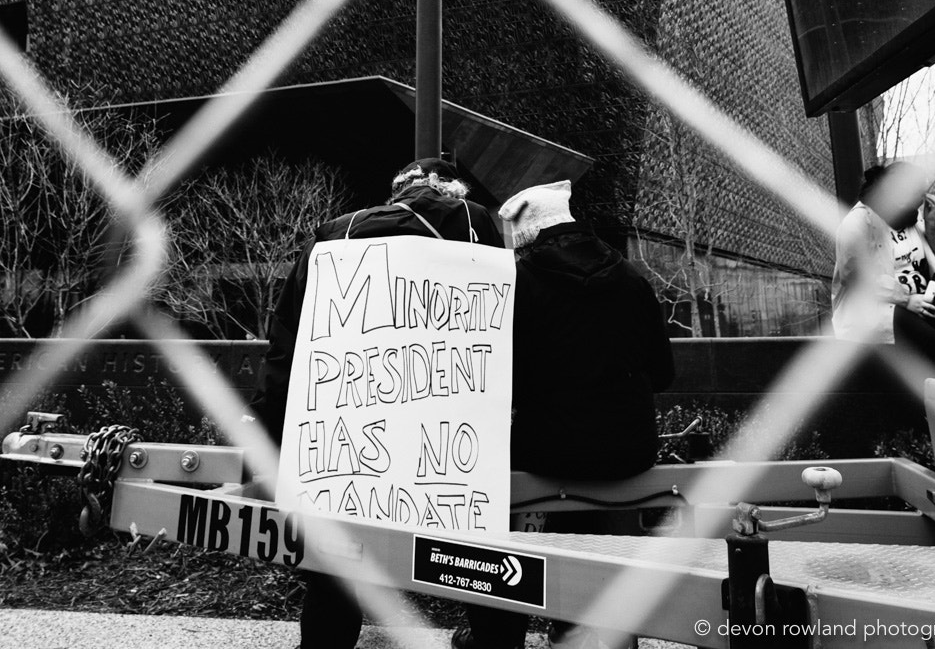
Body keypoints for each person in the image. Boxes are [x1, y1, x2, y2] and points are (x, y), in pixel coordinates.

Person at [245, 156, 503, 649]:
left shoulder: (336, 235)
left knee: (337, 556)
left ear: (396, 193)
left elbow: (290, 346)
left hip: (352, 434)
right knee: (476, 548)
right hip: (451, 432)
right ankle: (491, 638)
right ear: (453, 191)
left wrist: (266, 428)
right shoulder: (476, 227)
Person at [458, 180, 674, 649]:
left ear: (526, 232)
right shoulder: (631, 277)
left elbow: (500, 383)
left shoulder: (517, 284)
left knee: (504, 533)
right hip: (628, 452)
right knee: (597, 536)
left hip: (548, 452)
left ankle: (501, 636)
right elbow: (663, 372)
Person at [831, 160, 935, 378]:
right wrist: (907, 300)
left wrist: (932, 223)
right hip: (879, 308)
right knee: (933, 343)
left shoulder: (913, 220)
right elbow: (854, 276)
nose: (920, 201)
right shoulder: (858, 223)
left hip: (921, 300)